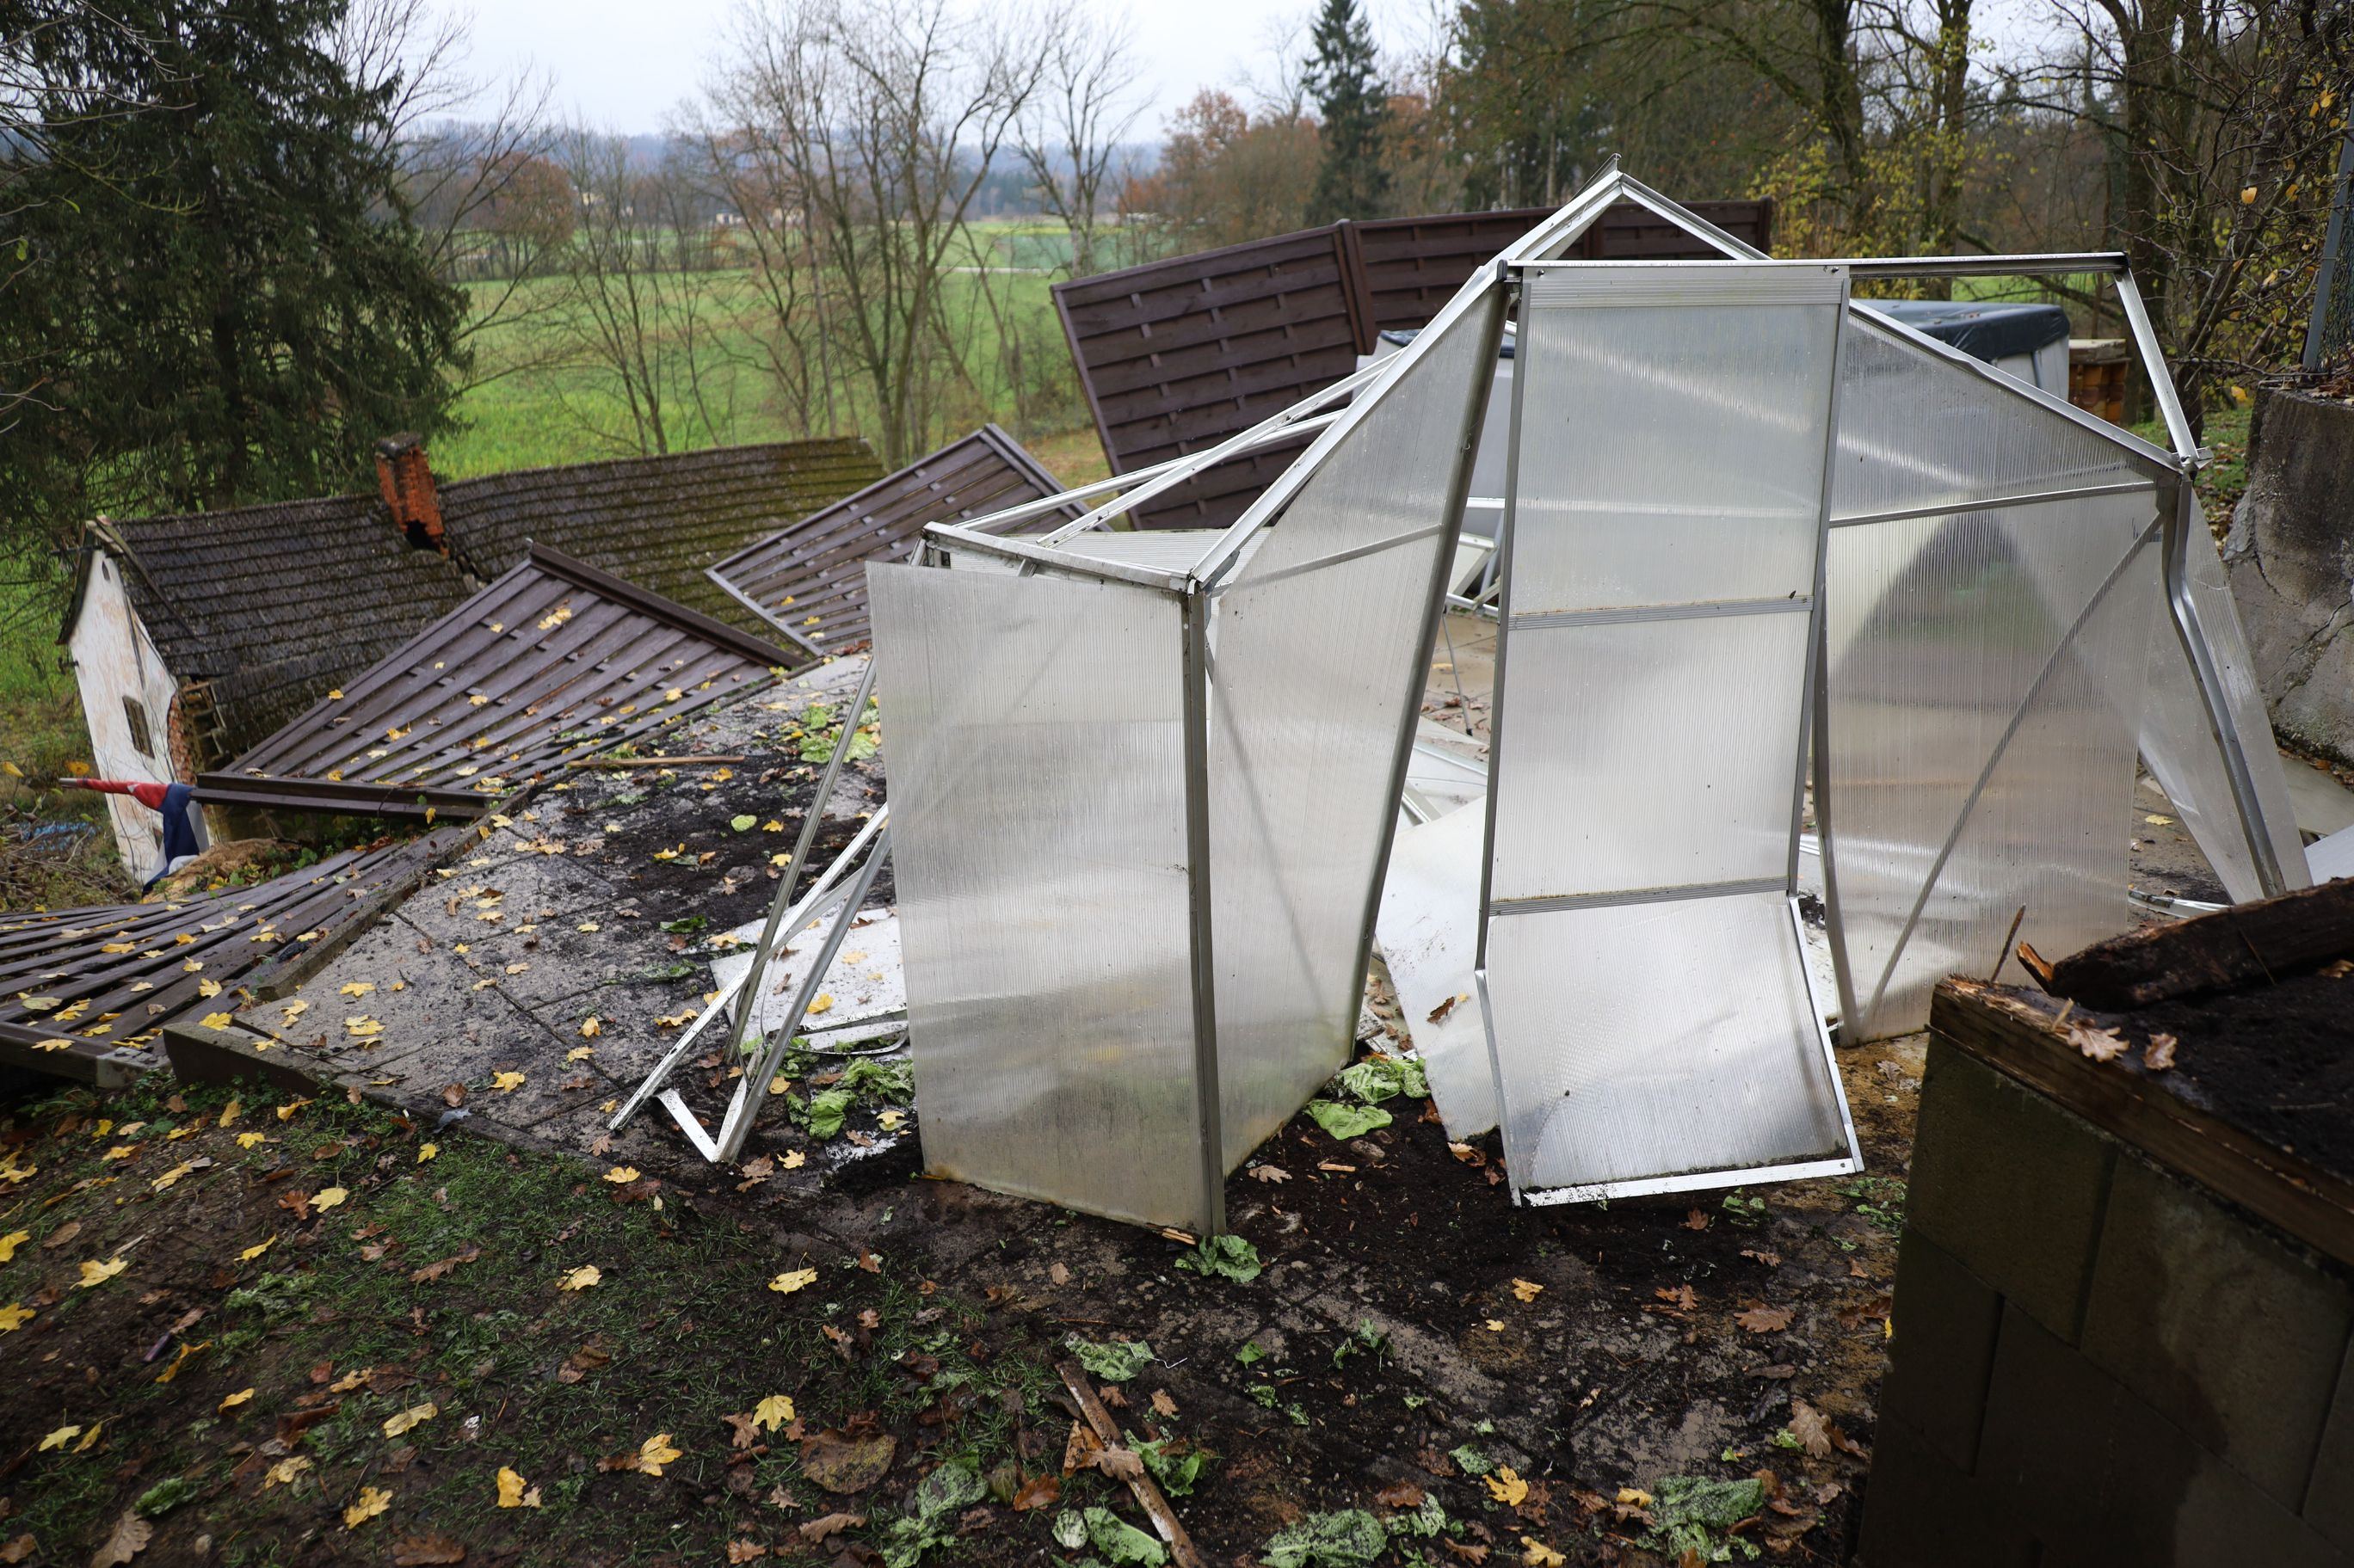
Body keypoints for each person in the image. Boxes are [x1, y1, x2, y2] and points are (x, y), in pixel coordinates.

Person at [66, 778, 205, 887]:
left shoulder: (174, 799)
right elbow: (121, 787)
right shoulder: (174, 798)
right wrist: (82, 783)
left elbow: (121, 787)